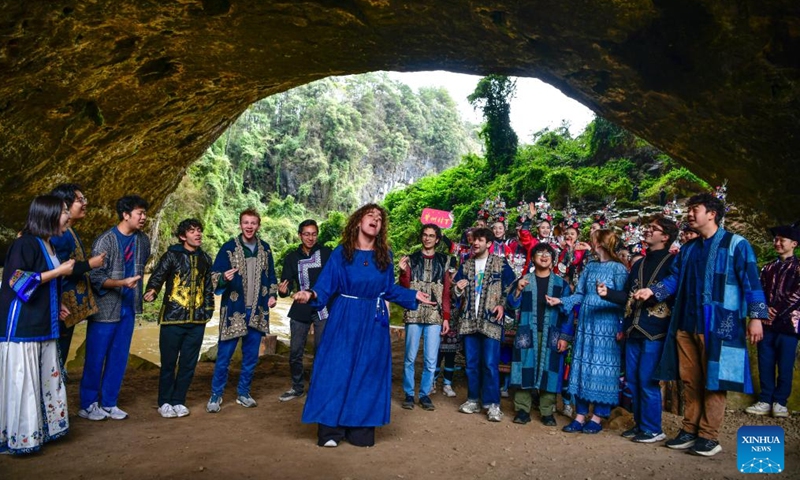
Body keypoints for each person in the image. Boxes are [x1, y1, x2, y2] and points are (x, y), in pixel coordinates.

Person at [633, 193, 767, 457]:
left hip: (720, 324)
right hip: (685, 323)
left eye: (695, 209)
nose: (690, 214)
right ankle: (689, 429)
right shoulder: (689, 249)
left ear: (712, 213)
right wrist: (653, 291)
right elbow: (674, 279)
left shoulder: (736, 245)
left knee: (715, 380)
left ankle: (709, 435)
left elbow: (752, 282)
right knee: (690, 380)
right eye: (689, 209)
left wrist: (756, 318)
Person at [293, 204, 434, 447]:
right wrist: (311, 295)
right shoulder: (341, 253)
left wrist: (412, 296)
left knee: (368, 372)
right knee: (336, 369)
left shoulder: (385, 255)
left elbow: (388, 289)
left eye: (380, 218)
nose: (376, 220)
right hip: (344, 317)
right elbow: (326, 286)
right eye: (371, 215)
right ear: (358, 221)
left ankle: (358, 425)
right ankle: (331, 430)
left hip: (374, 320)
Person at [0, 196, 74, 455]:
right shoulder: (25, 244)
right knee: (25, 381)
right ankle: (22, 437)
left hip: (45, 323)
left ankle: (43, 429)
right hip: (24, 328)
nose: (69, 216)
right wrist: (60, 272)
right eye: (65, 212)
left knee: (44, 378)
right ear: (50, 214)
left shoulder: (48, 244)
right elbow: (17, 282)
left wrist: (57, 305)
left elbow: (44, 284)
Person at [597, 214, 678, 443]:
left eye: (653, 228)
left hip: (656, 329)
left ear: (666, 236)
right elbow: (628, 297)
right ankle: (641, 425)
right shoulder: (639, 263)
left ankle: (653, 428)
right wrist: (608, 294)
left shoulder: (673, 262)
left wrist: (652, 294)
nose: (648, 231)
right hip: (634, 328)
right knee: (633, 380)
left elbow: (673, 290)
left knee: (647, 380)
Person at [547, 229, 628, 434]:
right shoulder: (590, 267)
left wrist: (621, 326)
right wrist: (562, 301)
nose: (589, 243)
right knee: (582, 366)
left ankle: (598, 417)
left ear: (600, 243)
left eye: (593, 240)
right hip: (586, 324)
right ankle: (580, 415)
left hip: (607, 326)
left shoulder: (619, 269)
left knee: (604, 370)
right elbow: (580, 293)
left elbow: (624, 300)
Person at [79, 195, 150, 421]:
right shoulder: (105, 241)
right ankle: (88, 404)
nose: (144, 218)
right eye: (140, 213)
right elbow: (96, 278)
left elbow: (142, 263)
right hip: (105, 308)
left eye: (145, 214)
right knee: (95, 357)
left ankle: (109, 402)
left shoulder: (143, 240)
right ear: (125, 215)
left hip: (128, 306)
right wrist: (121, 283)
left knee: (119, 356)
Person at [206, 209, 278, 413]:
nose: (249, 226)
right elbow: (214, 277)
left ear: (258, 225)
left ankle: (243, 393)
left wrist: (273, 296)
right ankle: (216, 395)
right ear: (240, 224)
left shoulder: (266, 249)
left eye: (253, 223)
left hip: (257, 310)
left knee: (251, 356)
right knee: (224, 356)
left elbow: (272, 276)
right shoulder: (228, 248)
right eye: (245, 222)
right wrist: (223, 278)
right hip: (234, 310)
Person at [144, 218, 215, 418]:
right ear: (183, 236)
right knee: (168, 363)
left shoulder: (205, 259)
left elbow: (208, 288)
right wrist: (152, 291)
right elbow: (157, 277)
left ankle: (179, 401)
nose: (198, 234)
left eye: (199, 230)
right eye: (192, 231)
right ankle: (164, 402)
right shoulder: (171, 256)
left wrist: (208, 311)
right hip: (172, 319)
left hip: (197, 321)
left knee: (188, 364)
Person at [453, 227, 515, 422]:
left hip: (491, 320)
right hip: (469, 319)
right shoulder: (466, 265)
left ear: (489, 243)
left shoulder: (501, 264)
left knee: (490, 364)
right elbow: (455, 291)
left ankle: (493, 404)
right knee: (471, 364)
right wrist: (457, 289)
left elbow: (511, 288)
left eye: (479, 240)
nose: (475, 243)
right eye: (473, 240)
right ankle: (473, 399)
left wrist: (503, 306)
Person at [507, 243, 569, 427]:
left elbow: (569, 311)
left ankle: (547, 411)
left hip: (552, 333)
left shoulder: (561, 284)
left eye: (548, 253)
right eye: (539, 253)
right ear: (533, 259)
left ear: (553, 259)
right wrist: (518, 289)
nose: (544, 256)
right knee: (523, 367)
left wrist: (565, 338)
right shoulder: (524, 280)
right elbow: (511, 306)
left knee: (550, 370)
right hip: (526, 332)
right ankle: (522, 410)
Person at [745, 223, 800, 418]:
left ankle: (780, 402)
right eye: (775, 239)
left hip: (789, 325)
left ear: (794, 243)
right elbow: (758, 290)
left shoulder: (798, 267)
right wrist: (761, 312)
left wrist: (775, 310)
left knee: (785, 363)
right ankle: (765, 399)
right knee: (765, 361)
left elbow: (797, 295)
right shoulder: (767, 268)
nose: (776, 243)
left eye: (781, 240)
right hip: (766, 324)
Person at [49, 183, 105, 373]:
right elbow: (59, 269)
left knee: (60, 359)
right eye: (80, 200)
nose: (84, 204)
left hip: (68, 310)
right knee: (55, 361)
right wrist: (90, 264)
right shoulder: (57, 236)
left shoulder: (69, 231)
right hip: (60, 309)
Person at [399, 223, 455, 411]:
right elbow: (405, 287)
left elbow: (446, 291)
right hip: (414, 312)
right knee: (410, 357)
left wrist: (446, 316)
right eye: (425, 235)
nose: (428, 238)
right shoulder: (411, 259)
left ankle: (424, 394)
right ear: (421, 237)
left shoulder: (444, 260)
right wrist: (402, 271)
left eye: (432, 235)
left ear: (437, 239)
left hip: (435, 314)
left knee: (431, 359)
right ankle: (408, 393)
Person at [277, 219, 332, 402]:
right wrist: (282, 291)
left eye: (314, 234)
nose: (310, 237)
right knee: (295, 351)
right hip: (300, 307)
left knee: (322, 349)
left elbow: (334, 280)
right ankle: (297, 387)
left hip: (323, 307)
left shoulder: (326, 254)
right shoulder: (292, 258)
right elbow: (286, 286)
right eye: (306, 234)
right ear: (300, 235)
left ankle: (319, 388)